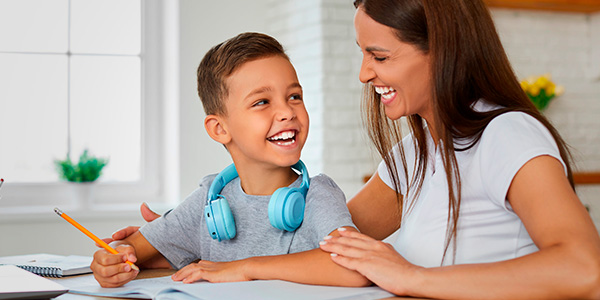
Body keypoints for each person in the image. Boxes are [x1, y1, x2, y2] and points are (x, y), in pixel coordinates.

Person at [108, 1, 600, 298]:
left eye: (379, 56)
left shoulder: (507, 135)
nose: (364, 73)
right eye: (363, 54)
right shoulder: (416, 151)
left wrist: (411, 277)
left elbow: (584, 269)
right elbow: (314, 248)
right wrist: (175, 245)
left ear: (443, 50)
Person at [90, 32, 369, 288]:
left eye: (294, 96)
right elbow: (128, 249)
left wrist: (245, 268)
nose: (287, 111)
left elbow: (356, 268)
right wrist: (112, 261)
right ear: (219, 129)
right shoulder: (209, 201)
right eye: (262, 102)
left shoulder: (318, 196)